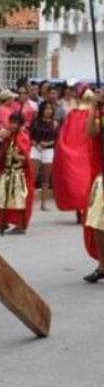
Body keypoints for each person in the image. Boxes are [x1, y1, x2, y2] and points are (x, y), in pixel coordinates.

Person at [0, 113, 34, 234]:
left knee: (18, 200)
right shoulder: (7, 137)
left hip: (18, 174)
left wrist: (16, 156)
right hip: (5, 172)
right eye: (11, 122)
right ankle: (3, 222)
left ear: (20, 125)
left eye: (15, 123)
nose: (12, 125)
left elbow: (25, 158)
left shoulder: (23, 138)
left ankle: (20, 225)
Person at [52, 88, 94, 213]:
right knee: (83, 180)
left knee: (81, 180)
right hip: (85, 152)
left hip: (83, 151)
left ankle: (82, 207)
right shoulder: (84, 114)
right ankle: (82, 207)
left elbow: (64, 135)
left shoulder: (74, 114)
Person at [81, 90, 104, 283]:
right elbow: (89, 132)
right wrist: (95, 107)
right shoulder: (100, 120)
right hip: (103, 178)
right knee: (98, 224)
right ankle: (102, 266)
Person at [30, 101, 58, 211]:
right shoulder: (35, 122)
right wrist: (36, 144)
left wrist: (47, 144)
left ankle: (43, 203)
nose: (48, 111)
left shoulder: (54, 123)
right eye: (46, 108)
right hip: (35, 149)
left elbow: (57, 139)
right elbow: (30, 136)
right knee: (32, 176)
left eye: (50, 109)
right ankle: (30, 201)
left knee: (46, 178)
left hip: (49, 150)